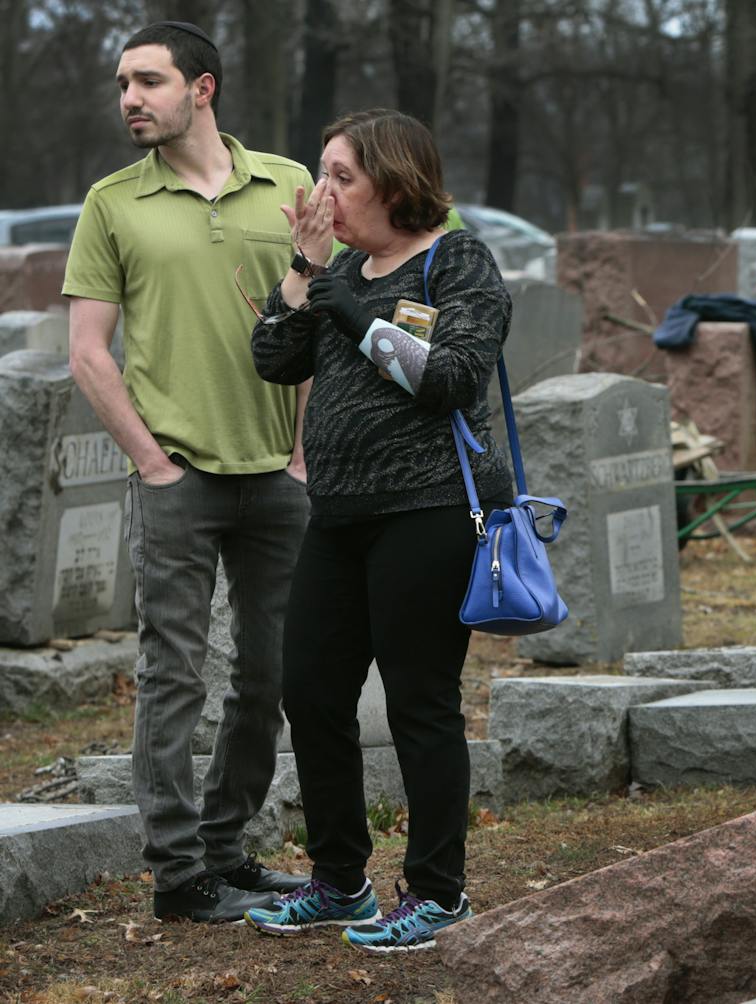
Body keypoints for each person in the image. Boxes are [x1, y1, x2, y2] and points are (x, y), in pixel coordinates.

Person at [244, 109, 512, 953]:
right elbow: (273, 359)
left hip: (428, 511)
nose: (321, 194)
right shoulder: (342, 268)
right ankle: (339, 882)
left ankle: (438, 892)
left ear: (396, 182)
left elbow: (451, 377)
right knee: (313, 694)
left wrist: (349, 307)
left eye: (341, 176)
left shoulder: (454, 259)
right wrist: (307, 270)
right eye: (322, 174)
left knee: (418, 703)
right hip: (339, 515)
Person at [63, 21, 312, 923]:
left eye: (148, 81)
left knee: (272, 675)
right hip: (177, 479)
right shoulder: (112, 203)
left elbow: (320, 316)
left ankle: (227, 848)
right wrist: (151, 462)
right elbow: (88, 352)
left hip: (279, 477)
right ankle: (177, 875)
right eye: (122, 83)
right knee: (174, 676)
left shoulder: (289, 184)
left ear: (201, 89)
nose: (129, 97)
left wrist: (301, 450)